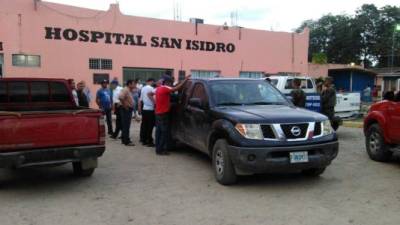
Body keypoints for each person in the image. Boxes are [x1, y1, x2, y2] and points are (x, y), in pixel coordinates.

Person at [149, 74, 190, 155]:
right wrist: (185, 80)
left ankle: (158, 149)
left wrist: (156, 103)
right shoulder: (165, 88)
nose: (171, 84)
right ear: (167, 82)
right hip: (163, 114)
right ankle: (161, 150)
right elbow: (177, 88)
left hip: (158, 113)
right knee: (164, 133)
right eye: (170, 82)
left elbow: (149, 94)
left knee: (159, 132)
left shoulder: (158, 88)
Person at [139, 78, 156, 146]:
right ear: (150, 81)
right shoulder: (151, 89)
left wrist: (140, 108)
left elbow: (141, 99)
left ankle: (143, 139)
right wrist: (155, 103)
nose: (153, 83)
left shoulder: (143, 88)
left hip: (144, 108)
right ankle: (149, 140)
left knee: (144, 125)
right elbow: (153, 97)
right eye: (153, 82)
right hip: (150, 109)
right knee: (150, 126)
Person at [119, 80, 136, 146]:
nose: (134, 85)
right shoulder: (125, 89)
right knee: (126, 126)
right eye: (133, 84)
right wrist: (125, 106)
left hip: (128, 109)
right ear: (129, 84)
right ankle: (126, 141)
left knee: (126, 125)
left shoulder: (129, 90)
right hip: (126, 109)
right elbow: (120, 97)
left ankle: (124, 139)